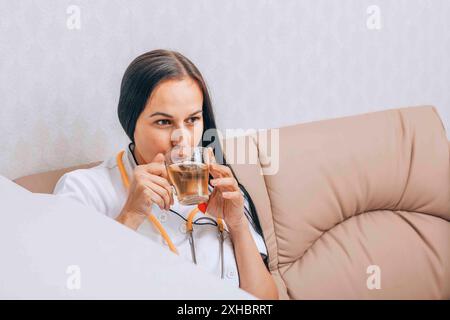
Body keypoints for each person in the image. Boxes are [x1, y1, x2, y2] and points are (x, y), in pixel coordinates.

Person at [54, 49, 278, 300]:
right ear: (130, 123)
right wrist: (131, 215)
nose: (181, 137)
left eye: (192, 119)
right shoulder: (83, 189)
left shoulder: (221, 185)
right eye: (163, 122)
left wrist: (238, 225)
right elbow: (70, 290)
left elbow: (264, 301)